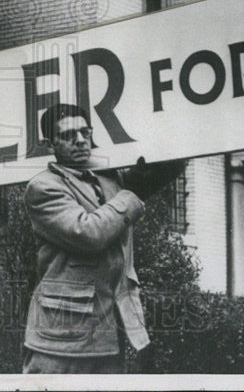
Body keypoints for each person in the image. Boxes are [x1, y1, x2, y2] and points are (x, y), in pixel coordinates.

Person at [22, 103, 184, 374]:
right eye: (68, 135)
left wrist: (176, 146)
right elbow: (89, 234)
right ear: (50, 144)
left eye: (85, 132)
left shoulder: (110, 179)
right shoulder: (43, 187)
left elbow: (160, 173)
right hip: (60, 339)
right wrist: (133, 192)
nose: (81, 140)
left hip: (111, 331)